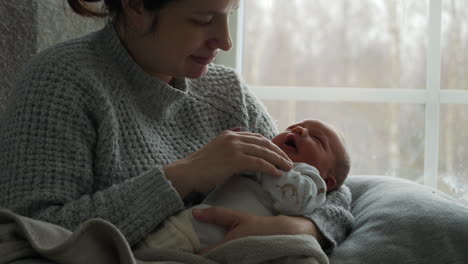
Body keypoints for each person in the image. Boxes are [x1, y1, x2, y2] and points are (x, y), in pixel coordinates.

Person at [0, 0, 353, 256]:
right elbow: (32, 230)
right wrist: (183, 176)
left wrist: (298, 228)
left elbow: (330, 185)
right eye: (203, 20)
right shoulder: (61, 82)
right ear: (136, 6)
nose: (225, 40)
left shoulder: (228, 91)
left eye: (230, 13)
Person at [139, 119, 351, 253]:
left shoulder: (309, 180)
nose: (300, 130)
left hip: (247, 247)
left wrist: (265, 164)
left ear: (328, 181)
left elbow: (297, 200)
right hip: (196, 225)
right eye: (295, 126)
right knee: (152, 250)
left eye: (316, 138)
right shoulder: (264, 154)